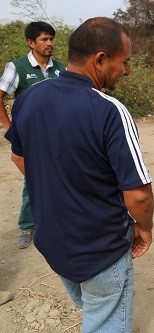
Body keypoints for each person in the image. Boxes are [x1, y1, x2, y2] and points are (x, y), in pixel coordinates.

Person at [5, 17, 154, 333]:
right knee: (104, 316)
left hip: (53, 242)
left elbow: (19, 155)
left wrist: (55, 186)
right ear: (100, 59)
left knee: (91, 307)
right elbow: (138, 193)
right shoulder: (110, 110)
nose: (126, 71)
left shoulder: (29, 98)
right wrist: (145, 227)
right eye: (123, 62)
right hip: (100, 248)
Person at [0, 21, 66, 249]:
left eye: (51, 39)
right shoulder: (17, 67)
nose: (49, 43)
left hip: (57, 135)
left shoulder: (60, 68)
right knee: (33, 179)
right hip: (30, 137)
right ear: (31, 43)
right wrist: (9, 128)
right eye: (44, 39)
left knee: (62, 176)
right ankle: (28, 227)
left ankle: (57, 222)